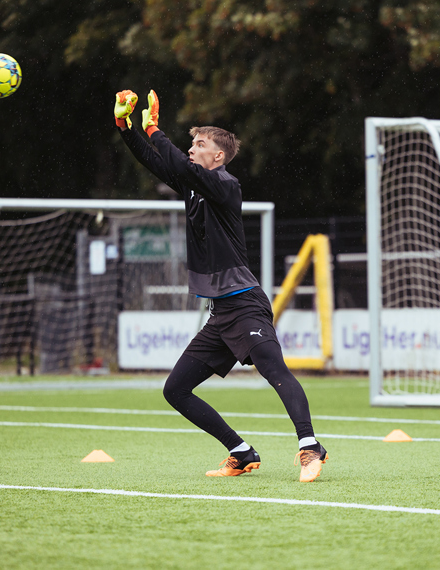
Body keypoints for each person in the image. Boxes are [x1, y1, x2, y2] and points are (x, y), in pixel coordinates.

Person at [113, 89, 328, 482]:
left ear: (219, 157)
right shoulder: (194, 187)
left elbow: (175, 160)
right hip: (221, 313)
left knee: (273, 368)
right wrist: (125, 127)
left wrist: (155, 128)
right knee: (175, 390)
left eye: (199, 145)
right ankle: (241, 451)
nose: (191, 150)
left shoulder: (225, 184)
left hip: (245, 303)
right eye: (191, 144)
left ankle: (310, 446)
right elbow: (157, 162)